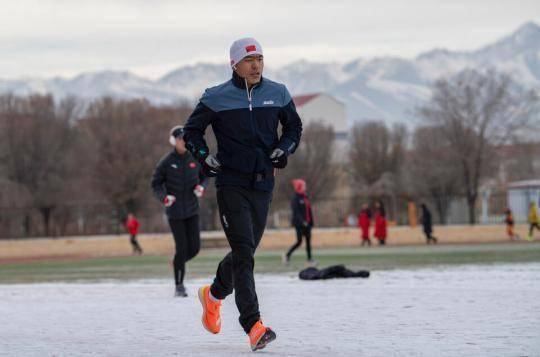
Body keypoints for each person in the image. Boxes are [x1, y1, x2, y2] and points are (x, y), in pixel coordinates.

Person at [183, 37, 302, 351]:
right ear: (234, 64)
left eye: (260, 59)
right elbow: (191, 132)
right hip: (230, 184)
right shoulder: (215, 97)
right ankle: (253, 325)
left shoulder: (278, 93)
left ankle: (212, 296)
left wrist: (283, 148)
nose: (256, 65)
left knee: (243, 254)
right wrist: (203, 156)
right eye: (249, 60)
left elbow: (294, 128)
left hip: (263, 184)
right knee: (245, 255)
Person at [151, 125, 208, 297]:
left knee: (195, 248)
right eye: (181, 138)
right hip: (175, 212)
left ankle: (177, 262)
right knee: (182, 248)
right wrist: (164, 198)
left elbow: (205, 175)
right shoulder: (167, 162)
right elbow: (155, 184)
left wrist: (201, 186)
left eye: (186, 138)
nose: (184, 141)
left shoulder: (194, 158)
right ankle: (179, 286)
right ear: (174, 141)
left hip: (192, 209)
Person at [283, 179, 315, 266]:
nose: (305, 187)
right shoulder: (295, 199)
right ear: (299, 187)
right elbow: (296, 212)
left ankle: (310, 259)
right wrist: (302, 221)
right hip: (299, 224)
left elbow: (309, 210)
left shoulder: (305, 197)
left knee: (308, 241)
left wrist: (311, 222)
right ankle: (287, 255)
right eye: (303, 185)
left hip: (307, 224)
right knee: (299, 241)